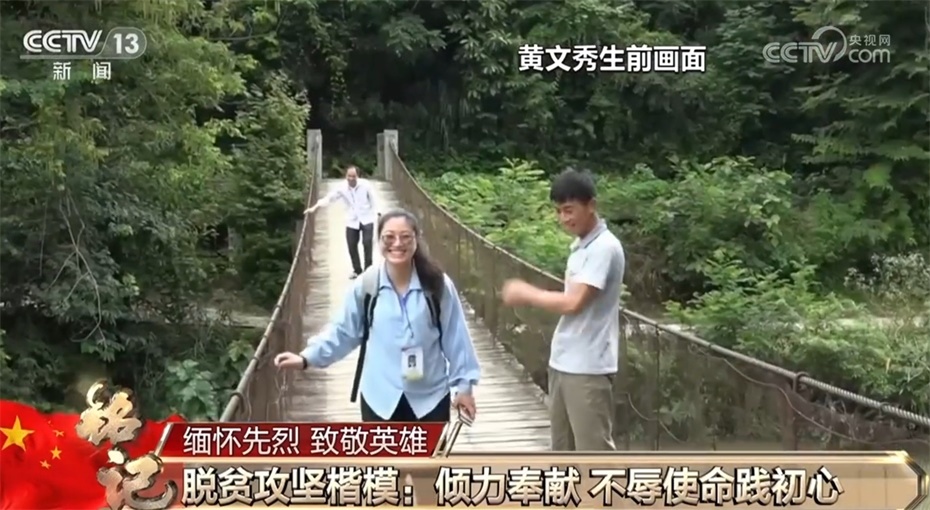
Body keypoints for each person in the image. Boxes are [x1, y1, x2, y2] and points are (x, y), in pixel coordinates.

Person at [274, 209, 480, 424]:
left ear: (416, 240)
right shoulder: (367, 285)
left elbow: (456, 337)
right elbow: (344, 331)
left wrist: (464, 387)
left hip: (430, 398)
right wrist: (306, 358)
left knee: (429, 448)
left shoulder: (437, 284)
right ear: (379, 240)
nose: (397, 243)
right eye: (389, 237)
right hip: (381, 399)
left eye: (405, 237)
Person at [500, 168, 625, 451]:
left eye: (569, 210)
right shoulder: (580, 247)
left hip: (589, 367)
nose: (564, 218)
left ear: (591, 205)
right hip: (564, 361)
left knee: (593, 457)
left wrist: (526, 292)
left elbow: (573, 302)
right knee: (562, 452)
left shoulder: (604, 248)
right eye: (559, 211)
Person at [304, 165, 377, 279]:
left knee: (367, 243)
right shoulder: (342, 188)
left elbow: (373, 199)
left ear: (358, 176)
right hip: (352, 220)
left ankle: (368, 270)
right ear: (346, 176)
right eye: (349, 176)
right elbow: (329, 198)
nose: (351, 179)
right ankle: (357, 270)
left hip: (367, 217)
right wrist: (315, 207)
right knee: (351, 245)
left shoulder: (365, 185)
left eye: (353, 176)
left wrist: (378, 213)